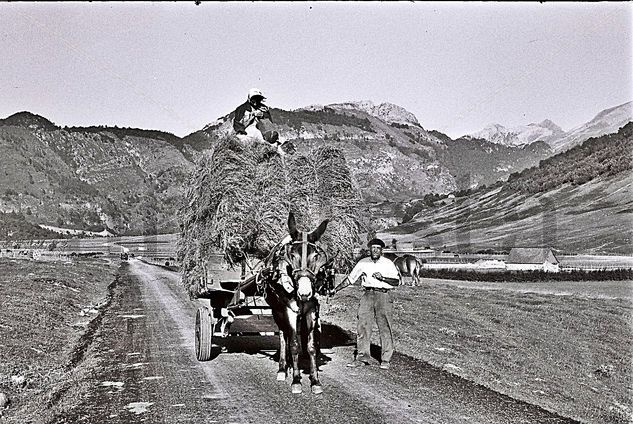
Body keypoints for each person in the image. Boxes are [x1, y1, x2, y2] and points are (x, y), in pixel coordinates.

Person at [341, 238, 401, 370]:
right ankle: (362, 357)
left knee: (385, 327)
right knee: (363, 325)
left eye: (378, 248)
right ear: (369, 249)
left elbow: (397, 282)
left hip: (384, 296)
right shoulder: (363, 263)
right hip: (368, 295)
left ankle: (385, 359)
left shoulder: (388, 263)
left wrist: (383, 278)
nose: (375, 250)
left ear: (381, 250)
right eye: (373, 248)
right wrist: (335, 289)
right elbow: (350, 279)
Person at [232, 88, 290, 155]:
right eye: (254, 98)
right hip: (248, 130)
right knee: (251, 139)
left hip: (262, 129)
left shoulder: (264, 108)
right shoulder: (241, 109)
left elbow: (269, 123)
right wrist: (252, 115)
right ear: (249, 99)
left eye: (258, 99)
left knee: (276, 138)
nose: (256, 101)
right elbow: (238, 125)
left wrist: (263, 115)